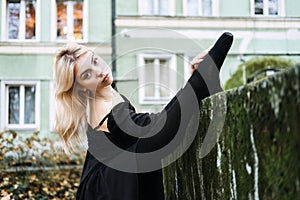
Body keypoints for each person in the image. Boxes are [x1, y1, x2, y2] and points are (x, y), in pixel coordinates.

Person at [53, 32, 233, 200]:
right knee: (150, 143)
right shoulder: (102, 109)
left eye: (95, 60)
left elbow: (156, 120)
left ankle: (200, 83)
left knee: (147, 142)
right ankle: (200, 84)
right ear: (81, 87)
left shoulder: (104, 89)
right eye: (87, 74)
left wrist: (192, 83)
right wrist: (194, 84)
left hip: (121, 170)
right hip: (107, 188)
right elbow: (157, 127)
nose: (99, 71)